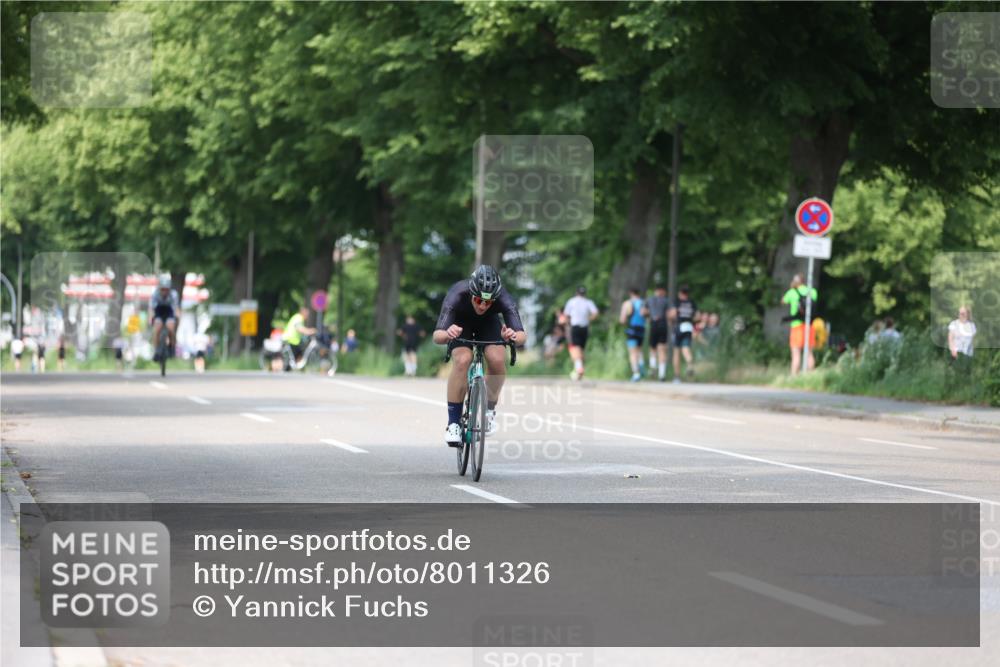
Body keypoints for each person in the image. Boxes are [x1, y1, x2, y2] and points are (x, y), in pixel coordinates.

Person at [432, 264, 526, 447]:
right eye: (478, 300)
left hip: (489, 325)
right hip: (460, 325)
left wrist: (513, 336)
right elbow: (437, 336)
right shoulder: (457, 293)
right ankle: (453, 423)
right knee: (462, 359)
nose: (483, 305)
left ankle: (489, 412)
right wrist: (448, 333)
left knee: (497, 359)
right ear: (471, 293)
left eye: (489, 302)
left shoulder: (504, 297)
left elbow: (522, 335)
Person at [781, 273, 817, 375]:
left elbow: (783, 301)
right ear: (803, 281)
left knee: (796, 353)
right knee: (809, 352)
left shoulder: (792, 292)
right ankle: (810, 376)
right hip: (809, 325)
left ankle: (794, 376)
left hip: (796, 325)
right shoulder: (812, 291)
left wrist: (792, 287)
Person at [562, 286, 599, 381]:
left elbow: (566, 315)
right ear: (585, 293)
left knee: (575, 348)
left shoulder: (572, 301)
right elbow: (595, 313)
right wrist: (588, 319)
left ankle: (579, 368)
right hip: (585, 328)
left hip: (575, 327)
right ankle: (578, 371)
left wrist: (567, 325)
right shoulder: (588, 302)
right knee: (581, 349)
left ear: (576, 293)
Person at [668, 284, 699, 383]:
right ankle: (689, 363)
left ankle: (677, 376)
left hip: (678, 327)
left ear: (680, 293)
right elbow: (697, 317)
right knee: (686, 348)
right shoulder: (692, 303)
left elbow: (672, 314)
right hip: (689, 327)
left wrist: (671, 319)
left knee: (676, 351)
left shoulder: (677, 302)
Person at [619, 287, 648, 382]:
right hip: (641, 328)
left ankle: (636, 373)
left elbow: (622, 320)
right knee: (639, 350)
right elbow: (646, 315)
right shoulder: (643, 302)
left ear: (630, 293)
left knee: (632, 352)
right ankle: (641, 365)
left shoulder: (627, 303)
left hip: (632, 328)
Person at [150, 276, 181, 361]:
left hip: (169, 312)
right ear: (159, 289)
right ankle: (156, 351)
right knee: (157, 329)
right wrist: (151, 318)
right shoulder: (155, 294)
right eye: (162, 289)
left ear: (169, 289)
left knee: (171, 328)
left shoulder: (173, 295)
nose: (164, 292)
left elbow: (176, 308)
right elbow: (151, 309)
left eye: (166, 289)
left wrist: (178, 318)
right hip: (159, 311)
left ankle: (171, 347)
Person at [645, 285, 671, 381]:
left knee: (652, 348)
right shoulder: (666, 300)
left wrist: (651, 315)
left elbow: (643, 312)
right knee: (662, 349)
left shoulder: (649, 300)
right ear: (662, 291)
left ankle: (653, 367)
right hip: (663, 326)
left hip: (653, 325)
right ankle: (662, 374)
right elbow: (670, 314)